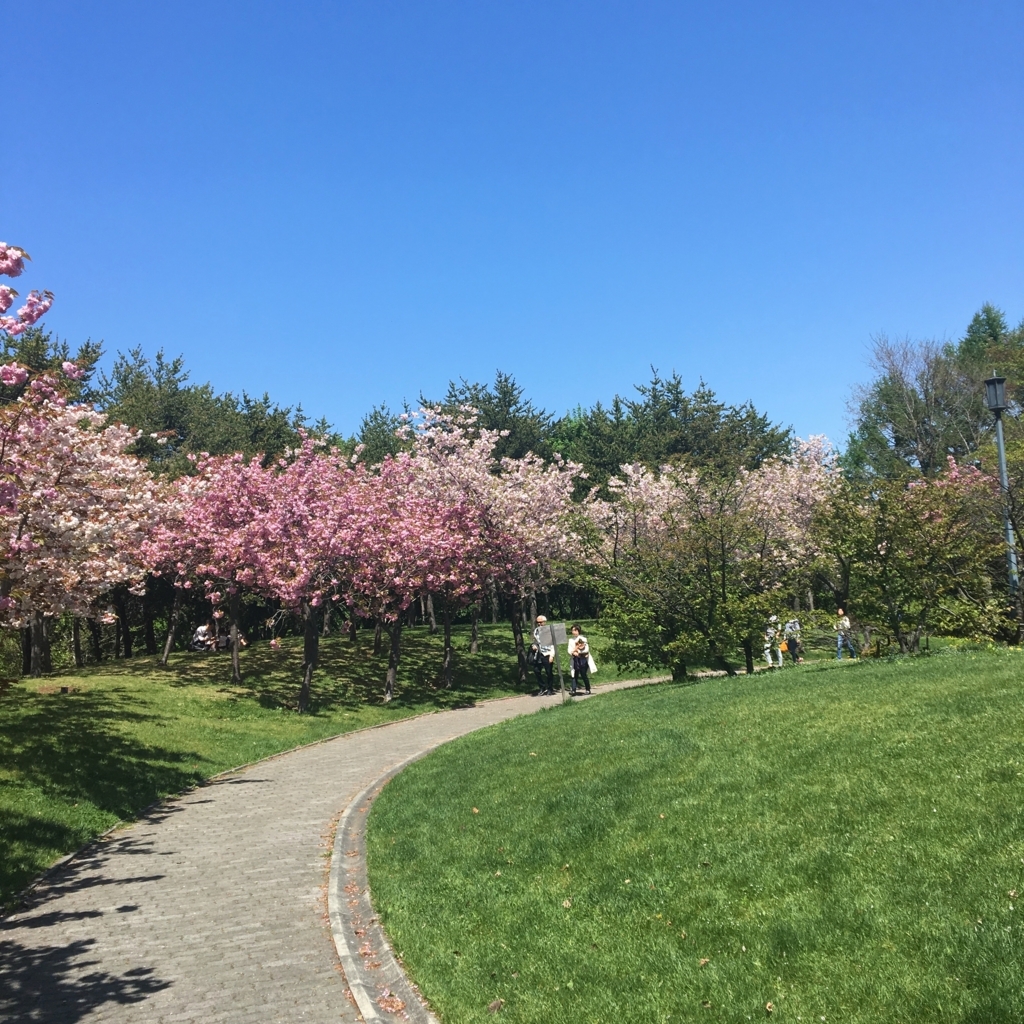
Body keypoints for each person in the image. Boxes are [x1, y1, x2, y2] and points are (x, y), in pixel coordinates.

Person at [531, 615, 555, 695]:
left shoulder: (549, 631)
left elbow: (553, 644)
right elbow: (536, 641)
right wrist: (534, 645)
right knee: (536, 670)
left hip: (547, 653)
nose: (539, 624)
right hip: (539, 653)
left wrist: (552, 655)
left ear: (545, 622)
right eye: (537, 622)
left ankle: (550, 688)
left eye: (540, 622)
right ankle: (542, 687)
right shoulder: (536, 631)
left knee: (549, 672)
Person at [567, 624, 592, 696]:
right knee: (574, 675)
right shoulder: (571, 640)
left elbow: (586, 649)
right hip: (574, 660)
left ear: (578, 631)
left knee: (583, 674)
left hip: (582, 660)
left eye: (575, 630)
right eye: (572, 630)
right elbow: (569, 649)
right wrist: (572, 653)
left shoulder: (583, 639)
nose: (574, 632)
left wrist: (578, 652)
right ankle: (573, 690)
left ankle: (588, 689)